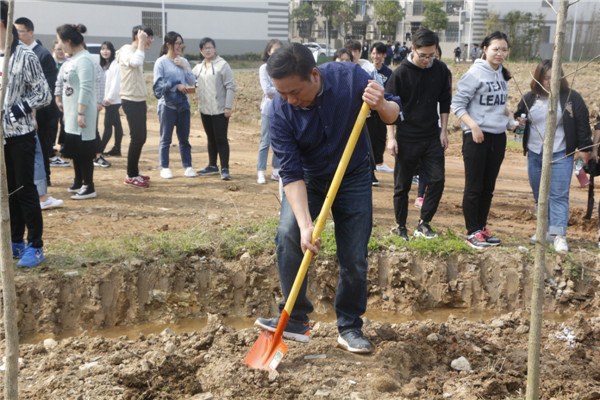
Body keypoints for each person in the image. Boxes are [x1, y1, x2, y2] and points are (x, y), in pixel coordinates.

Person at [254, 43, 402, 354]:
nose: (289, 100)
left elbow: (392, 115)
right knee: (289, 233)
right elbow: (290, 172)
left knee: (354, 253)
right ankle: (295, 318)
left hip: (353, 173)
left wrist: (380, 104)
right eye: (282, 93)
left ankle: (349, 326)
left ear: (314, 75)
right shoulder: (279, 110)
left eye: (294, 92)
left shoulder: (349, 78)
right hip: (308, 177)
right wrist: (306, 225)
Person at [515, 59, 592, 253]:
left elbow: (583, 125)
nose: (549, 82)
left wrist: (584, 150)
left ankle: (559, 235)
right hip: (535, 153)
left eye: (554, 77)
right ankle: (544, 231)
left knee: (558, 194)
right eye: (545, 77)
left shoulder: (571, 98)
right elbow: (519, 117)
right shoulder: (530, 98)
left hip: (560, 154)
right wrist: (517, 123)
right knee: (539, 195)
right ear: (538, 78)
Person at [451, 31, 518, 249]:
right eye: (496, 49)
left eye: (504, 49)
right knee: (474, 187)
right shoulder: (474, 74)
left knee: (488, 187)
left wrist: (510, 119)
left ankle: (482, 228)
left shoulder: (500, 74)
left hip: (497, 137)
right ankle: (472, 232)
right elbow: (457, 105)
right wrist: (473, 126)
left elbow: (498, 105)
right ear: (485, 49)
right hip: (477, 137)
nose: (500, 53)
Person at [385, 28, 451, 241]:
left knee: (438, 179)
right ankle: (400, 226)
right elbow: (389, 107)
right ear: (413, 49)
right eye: (423, 55)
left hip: (432, 135)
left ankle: (424, 223)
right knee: (402, 185)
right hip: (407, 136)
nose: (427, 60)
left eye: (432, 55)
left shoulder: (440, 69)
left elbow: (445, 101)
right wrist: (391, 138)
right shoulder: (400, 74)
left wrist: (444, 131)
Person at [2, 0, 51, 267]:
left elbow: (43, 94)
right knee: (9, 191)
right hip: (1, 138)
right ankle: (15, 242)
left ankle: (35, 245)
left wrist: (15, 111)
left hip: (20, 135)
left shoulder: (25, 55)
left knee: (24, 189)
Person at [15, 17, 65, 179]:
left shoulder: (42, 55)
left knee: (42, 146)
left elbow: (48, 87)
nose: (16, 34)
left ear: (31, 32)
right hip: (26, 111)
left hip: (43, 112)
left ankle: (44, 179)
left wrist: (34, 111)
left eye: (20, 31)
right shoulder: (18, 52)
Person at [55, 23, 97, 200]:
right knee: (76, 149)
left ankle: (89, 186)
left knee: (84, 149)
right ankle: (79, 180)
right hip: (72, 112)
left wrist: (80, 113)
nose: (59, 45)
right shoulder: (73, 59)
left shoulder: (84, 60)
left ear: (68, 41)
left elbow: (86, 88)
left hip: (83, 112)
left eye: (60, 41)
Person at [153, 31, 196, 179]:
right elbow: (158, 85)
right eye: (177, 43)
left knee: (184, 139)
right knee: (166, 139)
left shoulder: (184, 61)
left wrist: (185, 67)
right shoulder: (161, 62)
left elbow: (192, 81)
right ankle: (164, 167)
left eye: (181, 43)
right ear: (168, 44)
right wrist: (175, 85)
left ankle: (188, 166)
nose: (180, 46)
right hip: (167, 106)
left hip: (183, 105)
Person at [193, 37, 236, 181]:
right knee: (210, 138)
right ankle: (212, 165)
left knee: (221, 139)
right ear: (201, 50)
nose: (208, 50)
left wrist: (228, 107)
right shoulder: (199, 68)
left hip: (220, 109)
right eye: (204, 48)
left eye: (210, 47)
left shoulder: (222, 65)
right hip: (205, 109)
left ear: (215, 48)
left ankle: (225, 168)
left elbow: (230, 86)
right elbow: (190, 78)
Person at [116, 25, 153, 188]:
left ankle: (134, 171)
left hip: (138, 99)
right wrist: (141, 43)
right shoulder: (127, 50)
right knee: (137, 138)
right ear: (138, 37)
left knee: (141, 137)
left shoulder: (137, 50)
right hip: (130, 99)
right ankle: (130, 176)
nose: (150, 41)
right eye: (148, 37)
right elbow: (135, 61)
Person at [256, 39, 282, 184]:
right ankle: (260, 171)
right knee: (265, 141)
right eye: (275, 50)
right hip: (268, 109)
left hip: (282, 109)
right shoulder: (264, 68)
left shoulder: (284, 68)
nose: (277, 53)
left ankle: (276, 170)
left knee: (279, 139)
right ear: (268, 52)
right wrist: (283, 90)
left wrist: (279, 91)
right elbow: (267, 91)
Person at [368, 42, 393, 174]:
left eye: (378, 53)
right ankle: (371, 164)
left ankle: (379, 162)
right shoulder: (367, 70)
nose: (375, 56)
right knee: (369, 138)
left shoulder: (388, 73)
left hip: (382, 108)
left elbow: (390, 91)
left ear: (384, 55)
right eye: (373, 53)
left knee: (381, 136)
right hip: (369, 110)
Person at [99, 41, 123, 157]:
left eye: (107, 49)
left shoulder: (115, 65)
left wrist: (109, 98)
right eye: (102, 49)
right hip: (109, 99)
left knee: (107, 125)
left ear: (112, 51)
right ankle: (117, 149)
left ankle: (99, 151)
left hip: (113, 100)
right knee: (117, 124)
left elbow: (116, 84)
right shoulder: (104, 65)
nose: (105, 51)